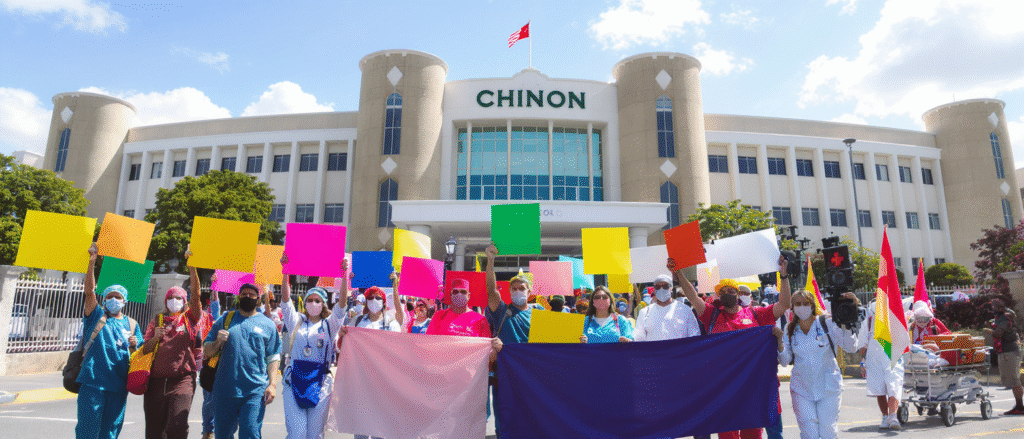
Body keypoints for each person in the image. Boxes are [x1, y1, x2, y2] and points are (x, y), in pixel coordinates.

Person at [679, 255, 791, 439]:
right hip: (723, 390)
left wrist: (784, 276)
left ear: (738, 294)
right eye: (723, 291)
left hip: (752, 388)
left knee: (752, 436)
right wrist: (678, 273)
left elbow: (785, 304)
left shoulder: (756, 313)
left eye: (731, 290)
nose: (727, 293)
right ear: (718, 295)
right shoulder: (711, 315)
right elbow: (692, 296)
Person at [76, 243, 144, 439]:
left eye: (118, 297)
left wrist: (134, 346)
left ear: (124, 301)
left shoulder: (132, 324)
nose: (114, 300)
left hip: (119, 386)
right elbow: (90, 292)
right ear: (104, 300)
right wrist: (92, 262)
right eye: (110, 297)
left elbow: (139, 356)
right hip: (93, 384)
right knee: (87, 431)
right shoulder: (96, 316)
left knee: (110, 433)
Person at [279, 254, 347, 439]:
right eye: (310, 300)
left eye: (317, 301)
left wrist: (344, 274)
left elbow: (342, 305)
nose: (313, 303)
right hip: (294, 379)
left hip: (321, 383)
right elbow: (285, 300)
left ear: (323, 304)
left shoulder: (330, 324)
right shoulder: (296, 321)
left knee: (314, 435)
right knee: (297, 434)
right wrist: (285, 270)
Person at [778, 290, 862, 439]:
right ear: (793, 307)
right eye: (798, 304)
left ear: (812, 305)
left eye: (806, 303)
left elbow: (851, 347)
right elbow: (785, 361)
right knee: (809, 433)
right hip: (801, 389)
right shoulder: (790, 329)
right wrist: (779, 343)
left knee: (828, 431)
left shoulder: (827, 323)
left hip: (828, 388)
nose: (802, 307)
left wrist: (847, 325)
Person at [203, 282, 282, 439]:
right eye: (244, 294)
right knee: (223, 435)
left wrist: (272, 385)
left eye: (251, 295)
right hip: (225, 390)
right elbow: (207, 350)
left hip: (254, 391)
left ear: (258, 299)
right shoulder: (225, 319)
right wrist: (217, 342)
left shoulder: (268, 324)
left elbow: (273, 357)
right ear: (238, 297)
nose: (247, 297)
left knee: (250, 433)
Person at [140, 248, 203, 439]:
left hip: (182, 381)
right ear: (165, 301)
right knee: (154, 432)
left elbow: (196, 295)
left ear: (184, 301)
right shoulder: (156, 321)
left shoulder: (190, 319)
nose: (174, 301)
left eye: (178, 298)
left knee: (177, 427)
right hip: (156, 383)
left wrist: (192, 267)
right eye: (170, 298)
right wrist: (155, 338)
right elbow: (145, 350)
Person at [336, 282, 403, 439]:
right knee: (361, 429)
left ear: (384, 302)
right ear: (365, 301)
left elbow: (397, 350)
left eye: (377, 298)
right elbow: (343, 347)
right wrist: (342, 335)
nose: (374, 300)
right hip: (360, 381)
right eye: (370, 298)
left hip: (383, 383)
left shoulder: (392, 324)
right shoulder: (357, 322)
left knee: (379, 430)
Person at [484, 244, 529, 439]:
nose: (518, 291)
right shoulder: (502, 311)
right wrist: (490, 260)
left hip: (530, 375)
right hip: (504, 375)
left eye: (522, 288)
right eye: (514, 288)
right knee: (505, 414)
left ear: (529, 292)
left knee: (529, 415)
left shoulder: (540, 314)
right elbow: (491, 290)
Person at [858, 301, 905, 430]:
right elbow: (863, 338)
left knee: (894, 383)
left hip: (891, 349)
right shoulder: (870, 311)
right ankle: (885, 416)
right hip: (874, 352)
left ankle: (893, 416)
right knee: (880, 387)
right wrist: (864, 352)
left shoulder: (895, 307)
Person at [983, 299, 1024, 415]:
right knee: (1012, 380)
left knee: (1015, 380)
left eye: (994, 306)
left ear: (1000, 307)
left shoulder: (1004, 317)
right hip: (1007, 351)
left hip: (1009, 351)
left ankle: (1020, 407)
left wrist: (989, 331)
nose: (993, 309)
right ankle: (1019, 406)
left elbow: (998, 333)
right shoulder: (1004, 316)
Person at [633, 273, 701, 342]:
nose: (661, 289)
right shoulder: (645, 312)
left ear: (671, 288)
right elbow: (638, 339)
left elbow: (694, 336)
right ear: (654, 289)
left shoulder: (685, 310)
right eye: (658, 287)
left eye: (665, 286)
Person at [426, 279, 491, 337]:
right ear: (451, 295)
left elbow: (486, 344)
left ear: (468, 296)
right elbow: (429, 340)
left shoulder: (480, 320)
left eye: (463, 292)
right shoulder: (439, 316)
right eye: (455, 292)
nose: (459, 294)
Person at [199, 290, 220, 439]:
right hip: (206, 364)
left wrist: (215, 290)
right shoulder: (196, 318)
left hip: (219, 364)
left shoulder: (218, 320)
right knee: (209, 400)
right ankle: (208, 431)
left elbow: (216, 307)